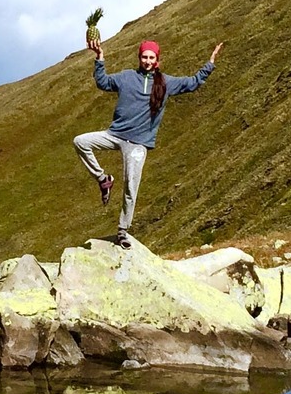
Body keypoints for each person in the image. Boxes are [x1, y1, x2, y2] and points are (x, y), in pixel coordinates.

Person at [74, 34, 222, 247]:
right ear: (139, 58)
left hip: (138, 144)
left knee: (130, 186)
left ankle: (122, 231)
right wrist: (99, 57)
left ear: (157, 60)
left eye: (152, 57)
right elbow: (103, 82)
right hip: (115, 135)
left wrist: (210, 64)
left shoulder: (166, 83)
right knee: (81, 142)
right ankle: (103, 179)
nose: (148, 61)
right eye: (145, 57)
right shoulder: (126, 77)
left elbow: (193, 83)